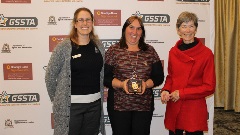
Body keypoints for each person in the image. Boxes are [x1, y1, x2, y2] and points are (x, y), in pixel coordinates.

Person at [45, 7, 105, 135]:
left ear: (92, 23)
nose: (85, 23)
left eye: (88, 20)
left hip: (94, 106)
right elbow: (50, 76)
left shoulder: (98, 46)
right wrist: (58, 100)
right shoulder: (63, 47)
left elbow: (103, 73)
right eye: (81, 20)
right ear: (75, 24)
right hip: (71, 107)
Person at [104, 16, 164, 135]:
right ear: (125, 29)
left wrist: (146, 84)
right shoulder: (113, 50)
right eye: (131, 27)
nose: (134, 32)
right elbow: (105, 78)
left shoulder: (150, 51)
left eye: (138, 28)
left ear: (142, 32)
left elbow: (159, 77)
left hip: (144, 107)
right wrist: (122, 84)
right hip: (118, 107)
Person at [160, 11, 216, 135]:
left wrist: (182, 93)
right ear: (178, 30)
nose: (187, 30)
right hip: (175, 105)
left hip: (193, 108)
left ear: (196, 29)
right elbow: (171, 77)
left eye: (191, 26)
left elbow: (209, 87)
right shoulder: (173, 52)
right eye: (184, 26)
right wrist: (166, 90)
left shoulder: (206, 54)